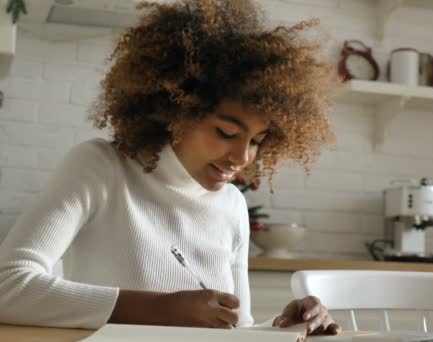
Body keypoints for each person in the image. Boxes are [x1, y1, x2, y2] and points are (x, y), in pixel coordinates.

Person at [0, 0, 340, 335]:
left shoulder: (232, 206)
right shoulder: (101, 168)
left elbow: (236, 329)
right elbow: (8, 287)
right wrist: (158, 309)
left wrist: (285, 328)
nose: (243, 158)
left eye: (256, 140)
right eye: (227, 133)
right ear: (177, 111)